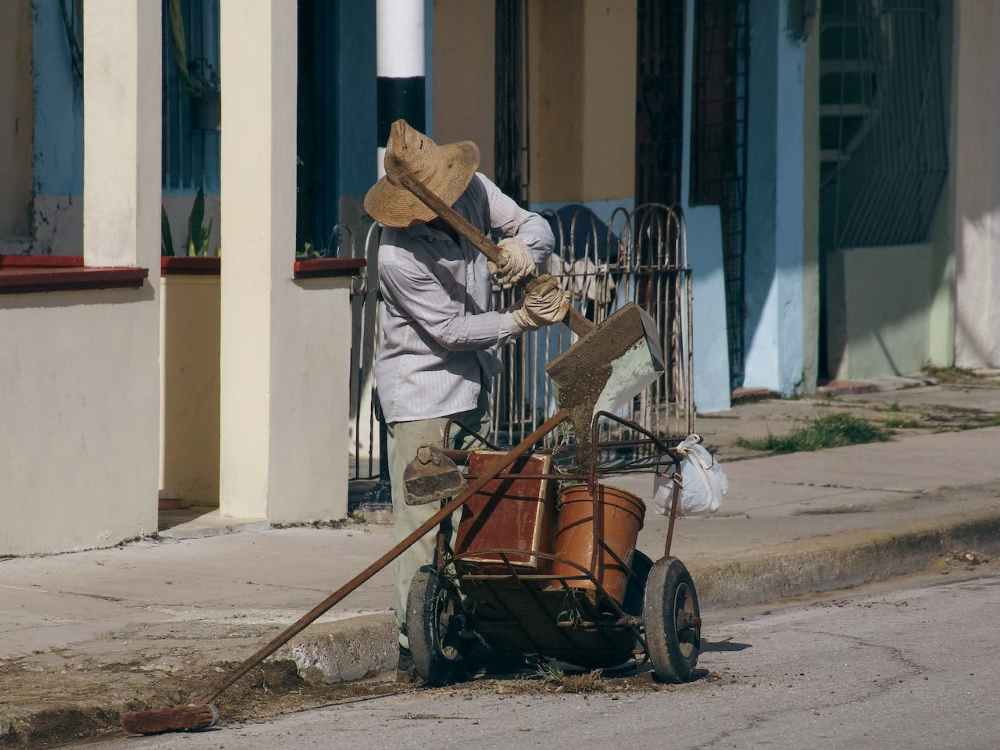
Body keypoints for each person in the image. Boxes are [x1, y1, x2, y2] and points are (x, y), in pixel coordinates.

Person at [363, 120, 569, 673]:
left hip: (474, 384)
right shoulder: (396, 255)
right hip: (421, 396)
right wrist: (522, 317)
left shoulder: (474, 189)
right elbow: (449, 331)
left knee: (473, 515)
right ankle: (416, 645)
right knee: (425, 522)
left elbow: (534, 224)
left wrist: (524, 250)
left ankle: (463, 627)